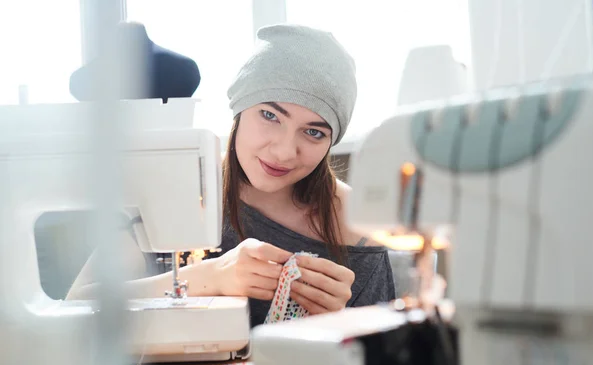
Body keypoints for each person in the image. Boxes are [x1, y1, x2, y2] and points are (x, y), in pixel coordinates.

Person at [67, 24, 396, 328]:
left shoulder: (359, 225)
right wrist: (210, 277)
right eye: (270, 115)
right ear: (239, 110)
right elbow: (76, 306)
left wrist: (343, 325)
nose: (284, 151)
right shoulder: (176, 190)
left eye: (313, 132)